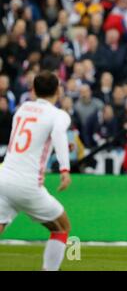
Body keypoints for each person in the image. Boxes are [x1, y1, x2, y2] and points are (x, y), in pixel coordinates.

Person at [0, 71, 72, 271]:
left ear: (33, 91)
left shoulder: (23, 109)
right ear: (58, 91)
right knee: (62, 227)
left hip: (4, 179)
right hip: (27, 185)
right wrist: (65, 169)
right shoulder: (58, 115)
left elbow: (30, 142)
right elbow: (58, 134)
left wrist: (57, 147)